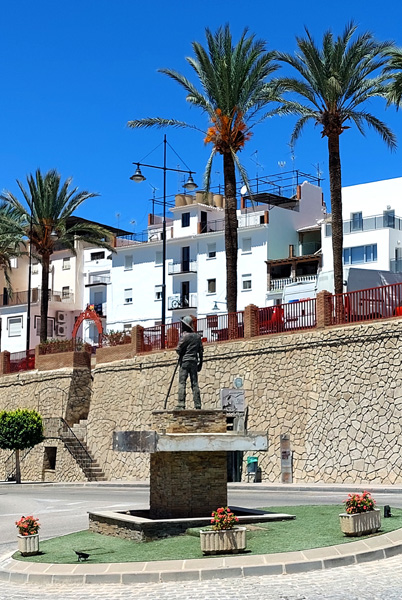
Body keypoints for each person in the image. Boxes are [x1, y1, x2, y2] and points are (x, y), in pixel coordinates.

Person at [176, 315, 203, 409]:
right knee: (195, 383)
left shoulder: (185, 336)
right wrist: (200, 363)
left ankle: (181, 403)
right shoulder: (198, 337)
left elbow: (178, 349)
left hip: (185, 362)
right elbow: (200, 352)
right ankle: (197, 404)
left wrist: (182, 352)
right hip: (194, 362)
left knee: (182, 382)